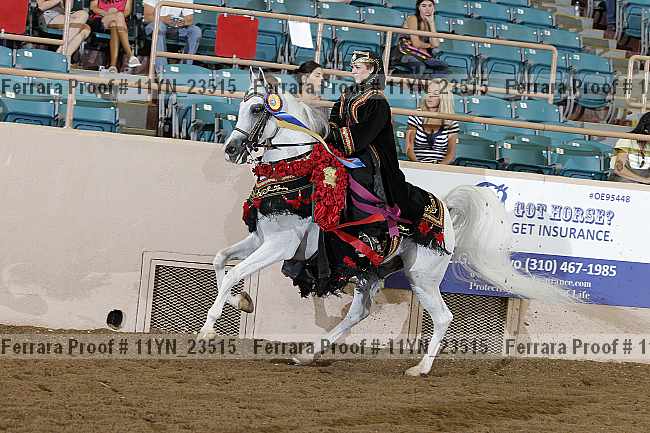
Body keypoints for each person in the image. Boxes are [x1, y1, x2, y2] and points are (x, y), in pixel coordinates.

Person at [283, 51, 448, 296]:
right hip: (344, 150)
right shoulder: (346, 95)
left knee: (357, 177)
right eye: (352, 66)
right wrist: (328, 133)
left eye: (358, 66)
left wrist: (332, 135)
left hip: (370, 156)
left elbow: (362, 136)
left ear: (371, 69)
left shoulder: (378, 102)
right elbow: (336, 121)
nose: (353, 70)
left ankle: (370, 232)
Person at [406, 79, 459, 164]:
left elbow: (451, 154)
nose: (430, 96)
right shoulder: (415, 115)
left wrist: (438, 167)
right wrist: (419, 166)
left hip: (441, 167)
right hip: (416, 165)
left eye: (435, 94)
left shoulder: (451, 121)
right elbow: (409, 148)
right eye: (428, 92)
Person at [143, 0, 202, 73]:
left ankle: (184, 69)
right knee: (160, 26)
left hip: (175, 27)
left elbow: (189, 19)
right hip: (154, 24)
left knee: (196, 31)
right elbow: (147, 16)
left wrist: (182, 22)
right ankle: (162, 71)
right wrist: (164, 19)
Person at [397, 0, 448, 77]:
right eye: (424, 6)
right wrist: (430, 45)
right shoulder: (413, 18)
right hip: (405, 53)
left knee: (443, 66)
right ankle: (414, 84)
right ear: (419, 7)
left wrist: (431, 22)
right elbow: (416, 43)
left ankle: (427, 82)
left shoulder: (430, 22)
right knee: (420, 66)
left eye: (430, 6)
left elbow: (436, 44)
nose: (427, 9)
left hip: (422, 55)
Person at [89, 0, 141, 73]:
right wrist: (109, 14)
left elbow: (127, 11)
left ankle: (113, 66)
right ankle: (130, 55)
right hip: (101, 19)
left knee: (114, 23)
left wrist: (116, 16)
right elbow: (93, 7)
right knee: (119, 15)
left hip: (119, 22)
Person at [609, 112, 650, 184]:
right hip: (623, 181)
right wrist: (644, 180)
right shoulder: (626, 140)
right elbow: (619, 170)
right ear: (646, 130)